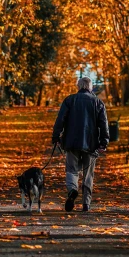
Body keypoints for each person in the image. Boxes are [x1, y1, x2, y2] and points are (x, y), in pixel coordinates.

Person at [51, 76, 110, 212]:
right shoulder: (98, 102)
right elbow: (103, 124)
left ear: (78, 86)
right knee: (88, 174)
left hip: (71, 143)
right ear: (90, 87)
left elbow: (60, 120)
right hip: (91, 144)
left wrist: (56, 136)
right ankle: (86, 204)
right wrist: (103, 142)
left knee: (71, 169)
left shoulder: (69, 100)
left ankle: (72, 190)